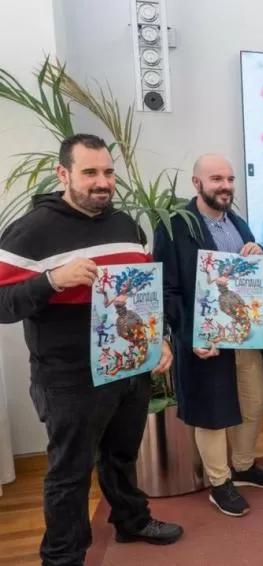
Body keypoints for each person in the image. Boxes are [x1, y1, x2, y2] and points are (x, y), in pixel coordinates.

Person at [0, 134, 182, 565]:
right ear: (62, 174)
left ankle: (131, 520)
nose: (102, 182)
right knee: (70, 472)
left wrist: (158, 338)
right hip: (70, 377)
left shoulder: (127, 227)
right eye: (90, 172)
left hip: (129, 367)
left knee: (121, 455)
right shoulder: (31, 232)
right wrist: (51, 281)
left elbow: (144, 294)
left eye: (108, 172)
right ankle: (62, 557)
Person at [154, 154, 263, 518]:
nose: (225, 186)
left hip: (244, 334)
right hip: (204, 340)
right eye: (216, 179)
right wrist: (188, 335)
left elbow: (249, 277)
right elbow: (167, 287)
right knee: (211, 412)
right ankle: (219, 482)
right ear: (197, 183)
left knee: (255, 400)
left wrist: (257, 253)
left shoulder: (239, 223)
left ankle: (243, 466)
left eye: (229, 179)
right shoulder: (174, 225)